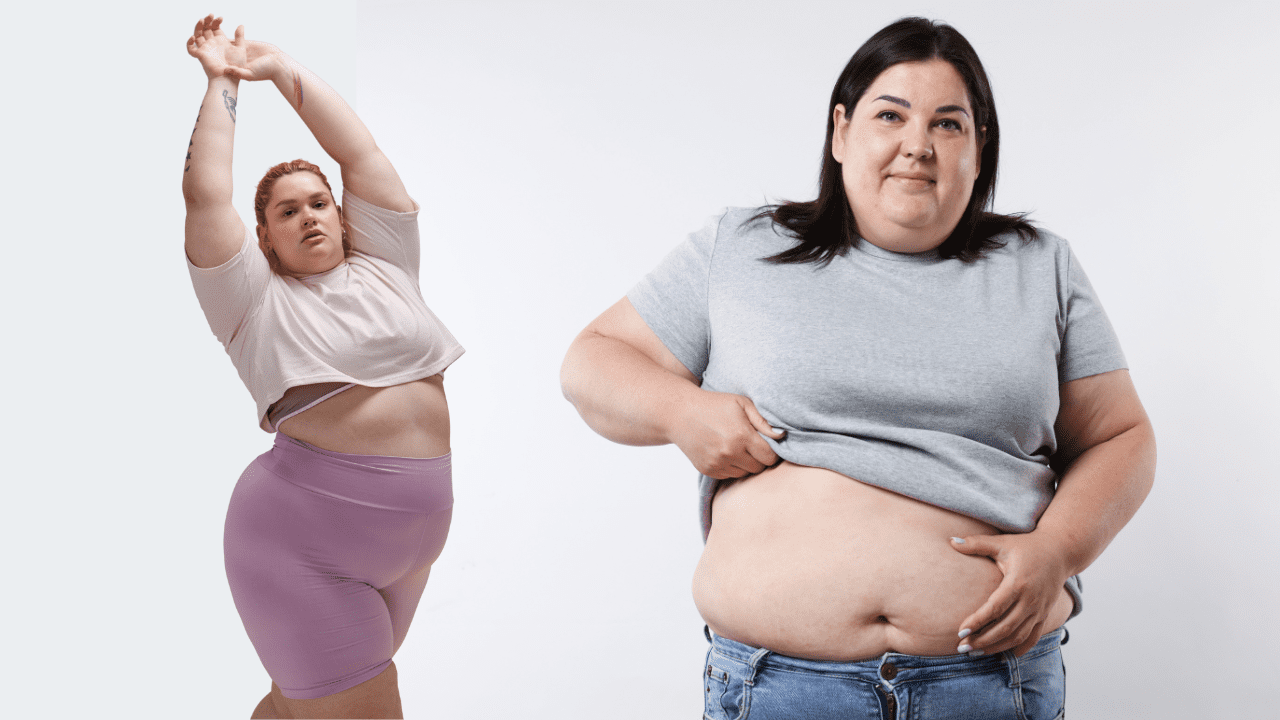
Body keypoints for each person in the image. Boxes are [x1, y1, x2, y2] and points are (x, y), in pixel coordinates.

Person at [561, 16, 1155, 719]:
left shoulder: (1039, 267)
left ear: (979, 146)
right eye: (891, 115)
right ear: (841, 132)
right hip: (777, 687)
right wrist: (680, 410)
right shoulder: (742, 248)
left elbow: (1122, 437)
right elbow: (592, 361)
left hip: (990, 685)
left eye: (949, 124)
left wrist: (1058, 548)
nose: (917, 145)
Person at [183, 15, 463, 719]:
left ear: (342, 216)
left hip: (409, 551)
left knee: (294, 708)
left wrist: (279, 69)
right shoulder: (252, 302)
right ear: (265, 240)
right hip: (301, 546)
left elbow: (360, 153)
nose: (309, 216)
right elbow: (206, 197)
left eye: (319, 203)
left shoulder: (388, 264)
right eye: (286, 212)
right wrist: (224, 82)